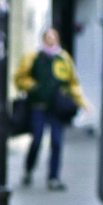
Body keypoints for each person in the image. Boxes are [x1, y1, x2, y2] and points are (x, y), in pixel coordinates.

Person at [14, 27, 88, 190]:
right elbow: (19, 78)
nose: (51, 39)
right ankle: (28, 170)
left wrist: (82, 102)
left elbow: (73, 82)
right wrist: (33, 87)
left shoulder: (63, 58)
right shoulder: (33, 57)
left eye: (54, 36)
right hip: (38, 106)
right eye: (48, 36)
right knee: (37, 140)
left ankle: (53, 177)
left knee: (56, 142)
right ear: (43, 39)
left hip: (57, 108)